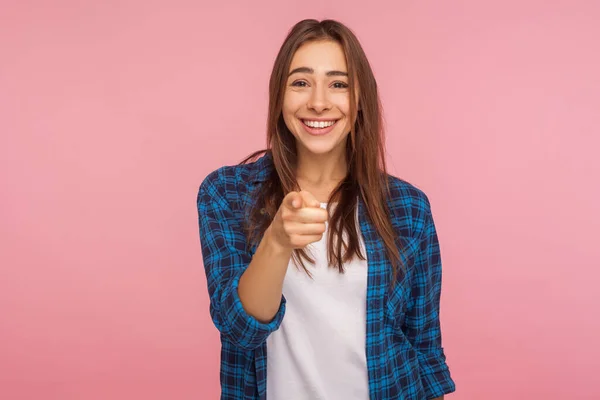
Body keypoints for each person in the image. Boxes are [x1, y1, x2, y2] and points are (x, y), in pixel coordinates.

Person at [197, 19, 455, 400]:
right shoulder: (227, 194)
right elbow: (241, 329)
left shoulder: (408, 207)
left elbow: (424, 349)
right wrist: (277, 241)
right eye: (300, 82)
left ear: (360, 98)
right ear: (279, 96)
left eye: (339, 84)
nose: (318, 102)